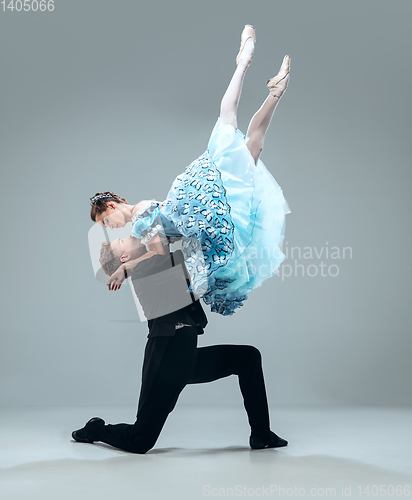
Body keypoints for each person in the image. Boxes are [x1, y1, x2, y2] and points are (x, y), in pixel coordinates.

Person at [89, 24, 292, 316]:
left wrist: (126, 268)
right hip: (198, 211)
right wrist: (129, 263)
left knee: (229, 130)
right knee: (250, 151)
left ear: (111, 205)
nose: (112, 229)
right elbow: (160, 247)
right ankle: (275, 91)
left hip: (198, 206)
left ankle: (245, 63)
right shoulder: (142, 221)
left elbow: (159, 252)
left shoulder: (141, 221)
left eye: (107, 223)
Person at [71, 240, 289, 453]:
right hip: (166, 357)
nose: (129, 236)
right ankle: (95, 429)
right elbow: (183, 256)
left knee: (248, 358)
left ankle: (261, 433)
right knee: (140, 440)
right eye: (122, 241)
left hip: (183, 353)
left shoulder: (151, 264)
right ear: (124, 257)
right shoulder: (146, 267)